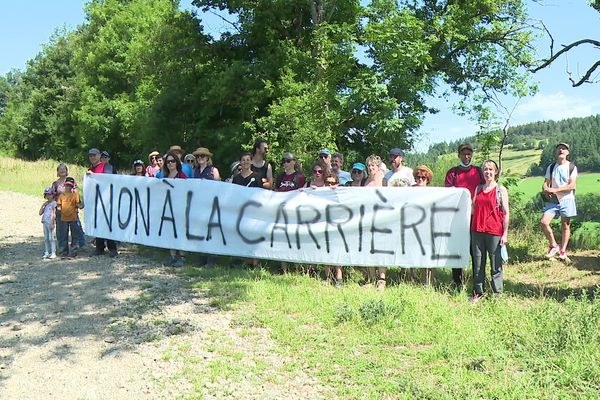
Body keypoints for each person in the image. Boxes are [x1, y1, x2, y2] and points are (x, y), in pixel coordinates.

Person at [444, 143, 484, 288]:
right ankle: (457, 281)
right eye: (463, 153)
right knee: (457, 248)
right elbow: (447, 194)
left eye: (469, 153)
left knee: (476, 250)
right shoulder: (452, 173)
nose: (466, 156)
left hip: (476, 217)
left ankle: (477, 281)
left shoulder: (479, 171)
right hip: (458, 219)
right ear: (459, 155)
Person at [470, 160, 509, 301]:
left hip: (494, 232)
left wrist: (505, 233)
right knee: (478, 264)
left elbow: (506, 213)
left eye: (490, 170)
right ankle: (478, 293)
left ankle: (497, 294)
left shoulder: (501, 190)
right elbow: (473, 209)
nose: (488, 172)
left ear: (496, 172)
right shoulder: (478, 189)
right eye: (485, 169)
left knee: (495, 264)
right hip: (477, 231)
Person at [540, 143, 578, 261]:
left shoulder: (572, 167)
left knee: (565, 226)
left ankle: (563, 251)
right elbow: (546, 182)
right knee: (544, 222)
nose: (561, 150)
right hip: (553, 200)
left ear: (568, 152)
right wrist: (546, 188)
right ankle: (554, 245)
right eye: (559, 148)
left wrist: (556, 189)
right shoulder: (551, 167)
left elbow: (572, 185)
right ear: (556, 152)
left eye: (564, 148)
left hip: (567, 199)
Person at [88, 147, 118, 257]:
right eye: (90, 155)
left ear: (99, 155)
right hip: (96, 201)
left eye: (94, 155)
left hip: (108, 200)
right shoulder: (90, 169)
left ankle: (112, 248)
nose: (92, 157)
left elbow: (110, 180)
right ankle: (99, 248)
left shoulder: (107, 167)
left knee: (108, 224)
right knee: (98, 224)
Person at [163, 151, 188, 266]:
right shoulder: (165, 177)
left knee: (180, 231)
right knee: (170, 231)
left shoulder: (182, 176)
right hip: (168, 207)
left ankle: (182, 256)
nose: (170, 163)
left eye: (172, 161)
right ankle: (172, 256)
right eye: (168, 162)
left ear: (176, 162)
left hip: (180, 208)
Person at [412, 165, 434, 285]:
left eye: (423, 177)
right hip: (412, 226)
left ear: (428, 179)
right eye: (418, 177)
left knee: (427, 253)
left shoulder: (433, 192)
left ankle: (427, 280)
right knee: (414, 252)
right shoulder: (409, 190)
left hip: (427, 227)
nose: (420, 179)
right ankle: (412, 277)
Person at [56, 177, 84, 257]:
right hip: (63, 218)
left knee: (74, 235)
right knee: (64, 235)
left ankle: (73, 251)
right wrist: (60, 211)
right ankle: (63, 251)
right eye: (67, 185)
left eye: (70, 186)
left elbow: (79, 205)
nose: (68, 187)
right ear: (64, 186)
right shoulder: (61, 196)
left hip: (73, 218)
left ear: (72, 187)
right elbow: (58, 206)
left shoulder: (75, 195)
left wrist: (82, 205)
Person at [39, 187, 57, 259]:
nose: (48, 196)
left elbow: (54, 213)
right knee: (46, 238)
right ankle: (47, 251)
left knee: (51, 238)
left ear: (52, 195)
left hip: (50, 222)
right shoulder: (46, 204)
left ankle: (53, 252)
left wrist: (53, 222)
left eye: (49, 194)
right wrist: (43, 205)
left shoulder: (54, 203)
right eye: (46, 195)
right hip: (45, 221)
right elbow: (40, 213)